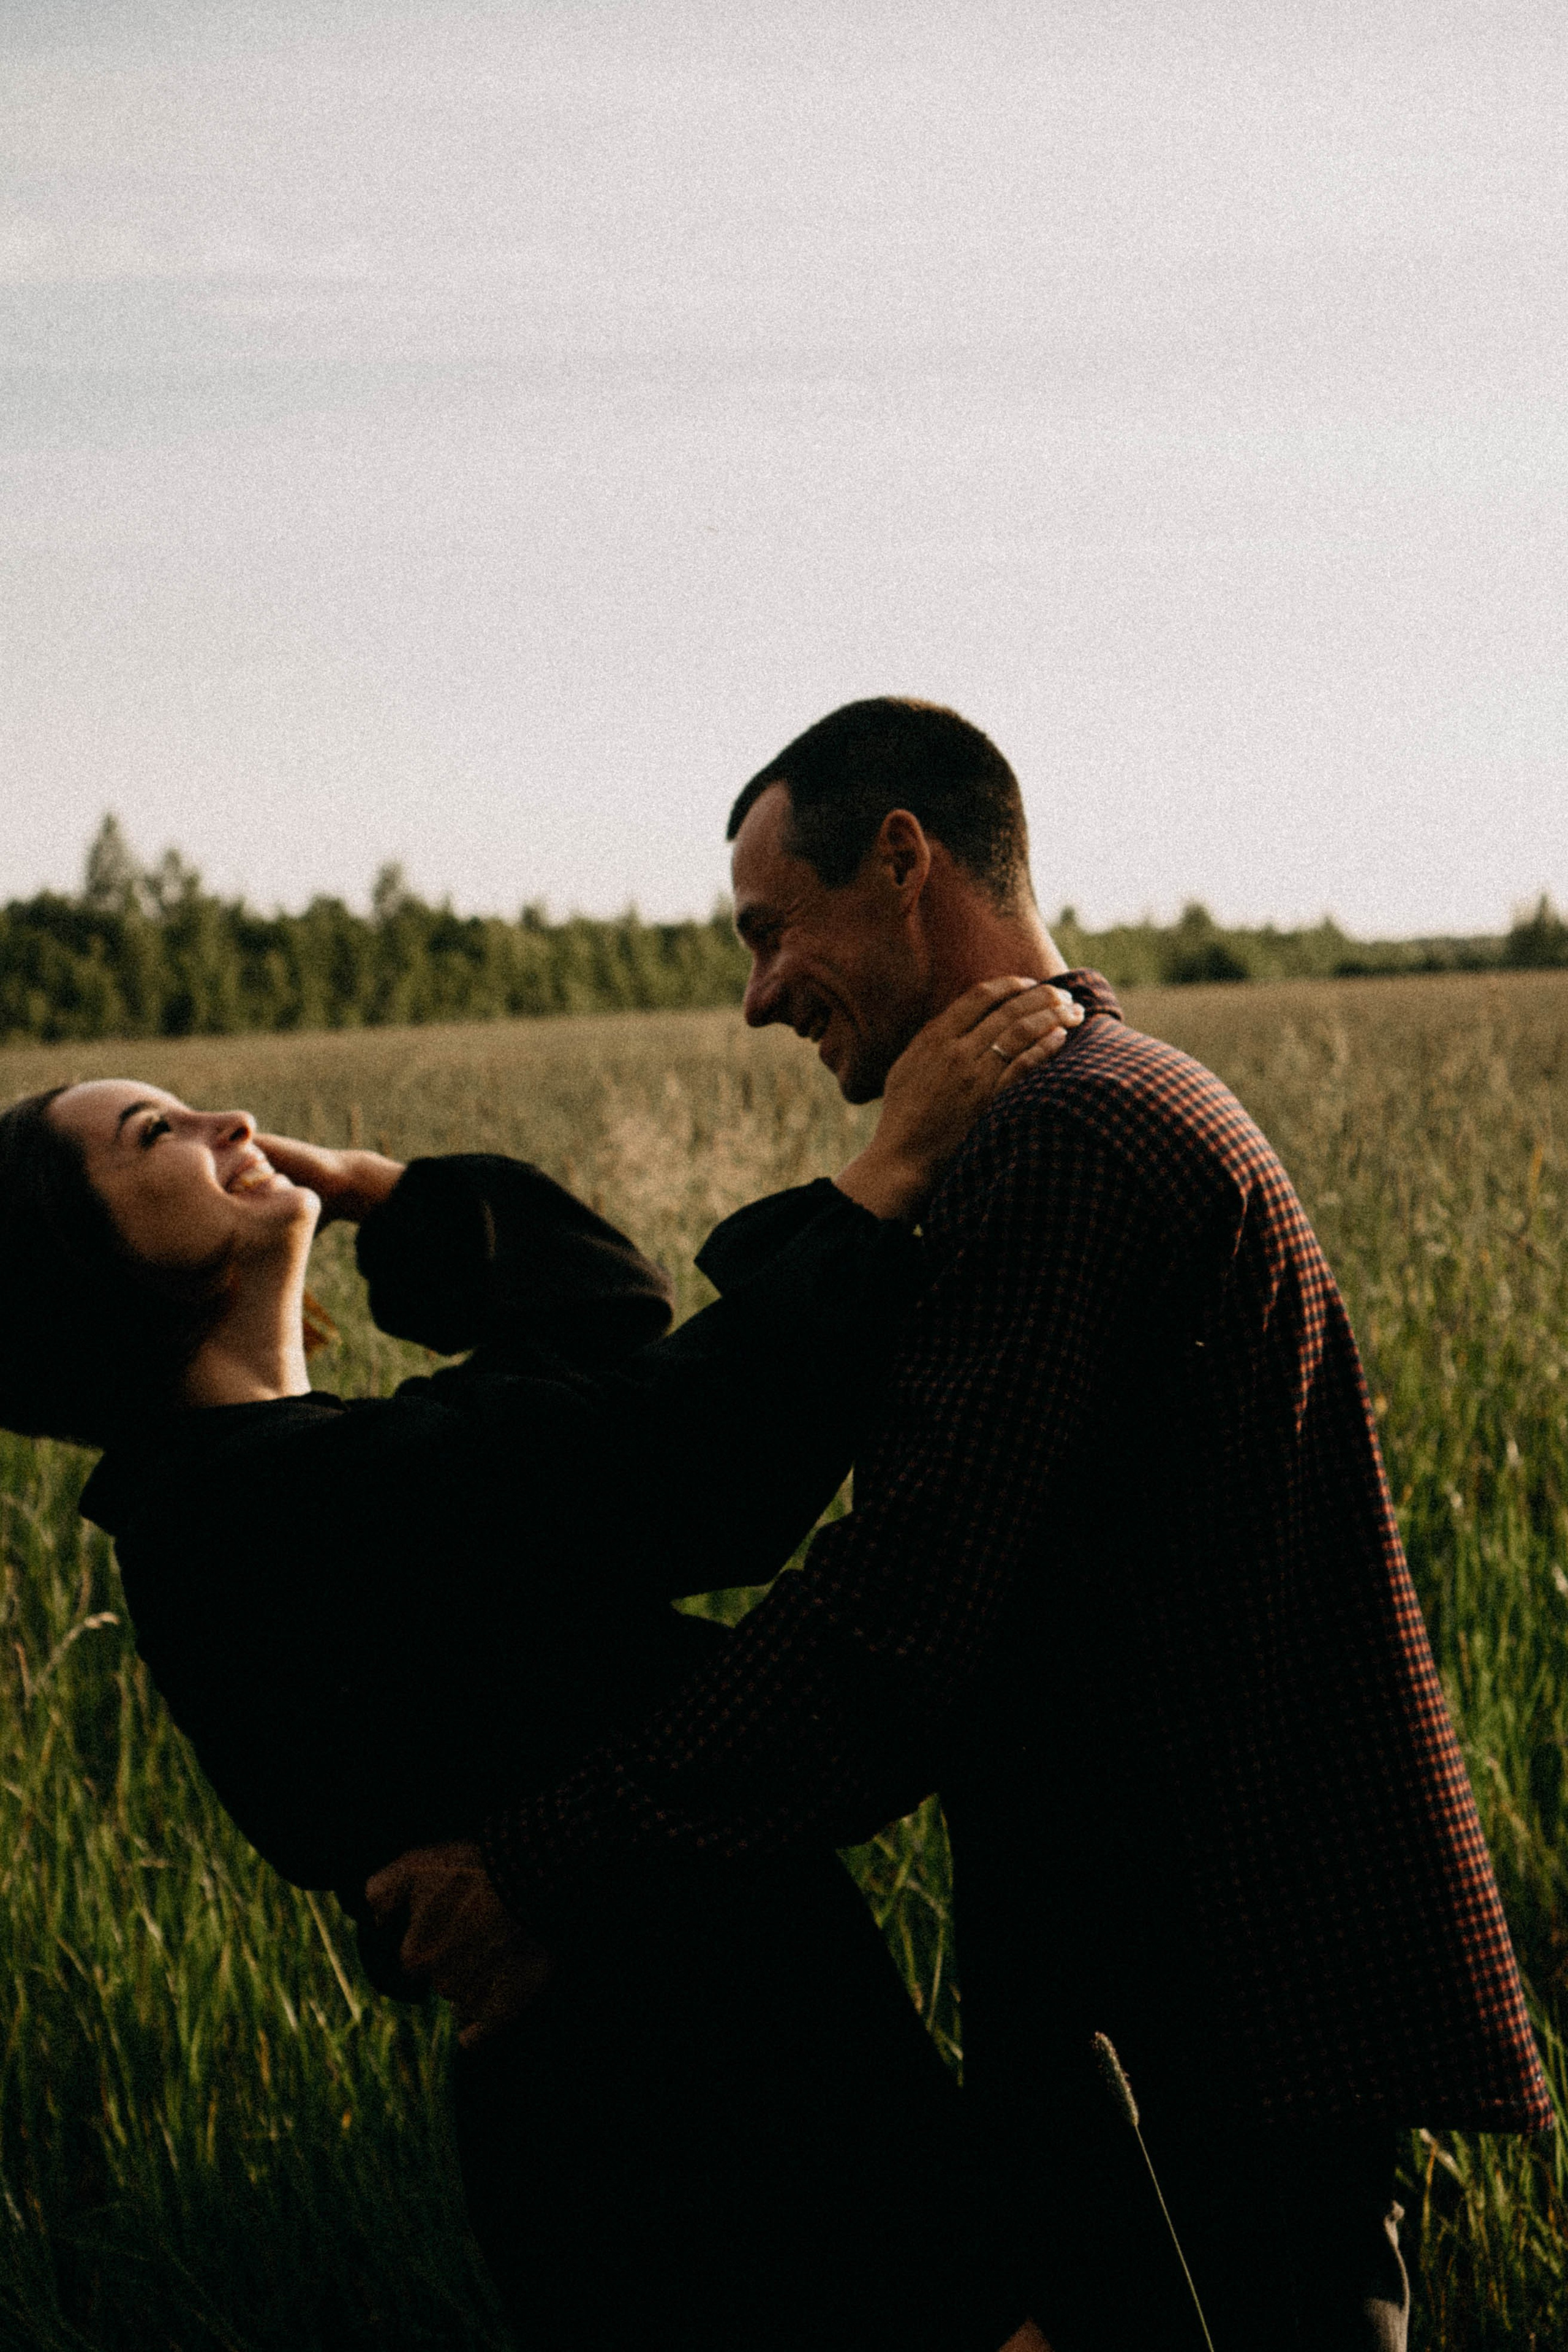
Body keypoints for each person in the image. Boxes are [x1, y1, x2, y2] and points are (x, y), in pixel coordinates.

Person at [379, 698, 1553, 2352]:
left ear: (906, 860)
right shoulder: (1092, 1099)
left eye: (773, 930)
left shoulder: (1067, 1148)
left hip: (1208, 2014)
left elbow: (891, 1628)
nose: (758, 994)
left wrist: (541, 1868)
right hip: (1224, 1990)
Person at [0, 974, 1080, 2352]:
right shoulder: (255, 1511)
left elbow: (600, 1335)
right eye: (155, 1133)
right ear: (76, 1261)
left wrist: (392, 1195)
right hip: (684, 2115)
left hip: (678, 2080)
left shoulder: (287, 1478)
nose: (233, 1118)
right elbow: (686, 1462)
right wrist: (888, 1175)